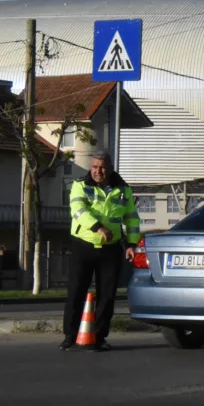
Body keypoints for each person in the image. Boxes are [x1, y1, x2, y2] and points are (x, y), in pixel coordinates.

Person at [61, 151, 141, 352]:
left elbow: (131, 219)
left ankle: (99, 336)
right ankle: (70, 335)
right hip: (84, 244)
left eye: (102, 167)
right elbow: (78, 211)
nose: (98, 171)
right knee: (76, 291)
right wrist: (97, 227)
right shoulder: (80, 185)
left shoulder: (123, 190)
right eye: (94, 167)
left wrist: (131, 244)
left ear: (110, 168)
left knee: (107, 295)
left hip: (110, 249)